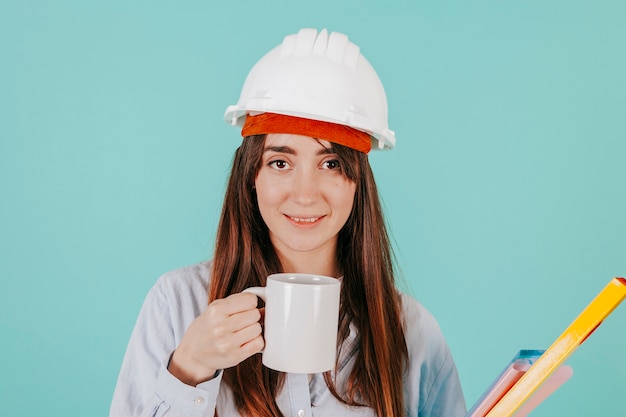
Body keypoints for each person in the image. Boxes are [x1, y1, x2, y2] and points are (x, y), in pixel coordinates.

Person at [110, 28, 466, 417]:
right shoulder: (176, 305)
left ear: (357, 182)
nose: (305, 194)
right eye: (280, 162)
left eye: (330, 164)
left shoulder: (411, 332)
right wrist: (189, 368)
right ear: (252, 176)